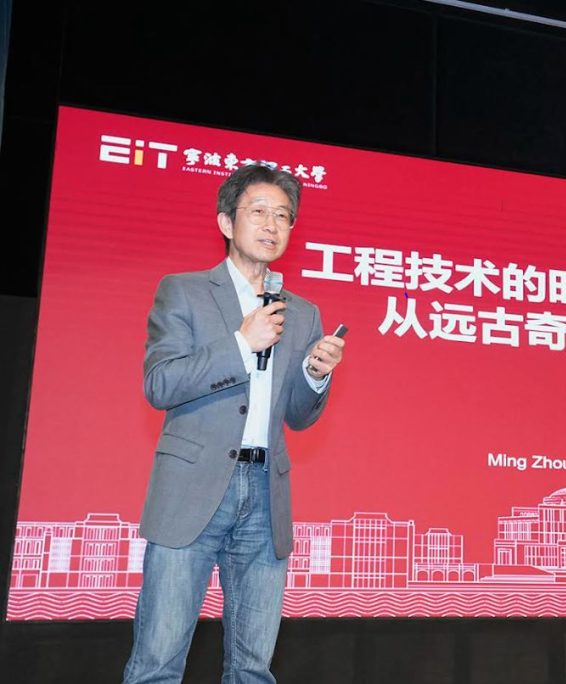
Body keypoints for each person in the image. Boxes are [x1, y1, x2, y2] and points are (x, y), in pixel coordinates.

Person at [123, 164, 344, 683]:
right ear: (226, 222)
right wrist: (243, 343)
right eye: (259, 211)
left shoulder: (303, 313)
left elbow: (298, 416)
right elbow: (160, 384)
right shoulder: (184, 291)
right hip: (192, 489)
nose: (272, 225)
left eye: (283, 216)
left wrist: (315, 375)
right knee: (157, 662)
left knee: (252, 667)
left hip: (266, 493)